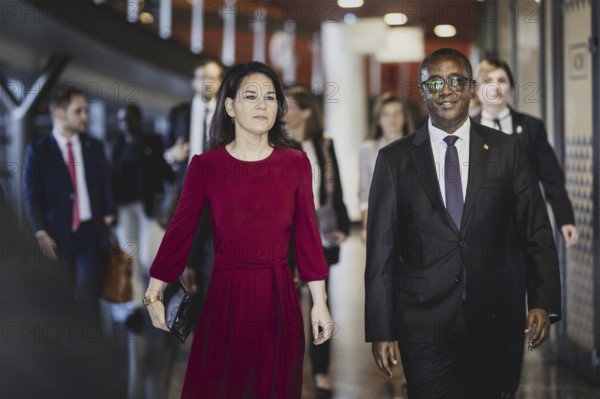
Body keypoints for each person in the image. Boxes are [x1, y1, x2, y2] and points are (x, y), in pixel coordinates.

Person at [364, 48, 562, 399]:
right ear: (423, 91)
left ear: (471, 89)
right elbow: (381, 251)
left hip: (495, 317)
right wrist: (381, 328)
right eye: (435, 82)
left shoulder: (507, 150)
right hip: (422, 323)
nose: (446, 90)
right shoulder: (395, 159)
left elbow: (536, 230)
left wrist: (543, 300)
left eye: (456, 81)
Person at [144, 61, 333, 398]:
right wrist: (154, 291)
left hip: (280, 302)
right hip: (225, 301)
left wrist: (320, 303)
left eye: (271, 97)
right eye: (251, 95)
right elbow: (180, 232)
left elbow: (307, 237)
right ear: (230, 106)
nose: (263, 104)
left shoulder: (295, 163)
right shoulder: (206, 167)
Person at [472, 57, 578, 398]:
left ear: (511, 87)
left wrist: (565, 218)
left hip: (519, 236)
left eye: (502, 80)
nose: (496, 87)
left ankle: (505, 385)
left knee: (511, 309)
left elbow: (552, 177)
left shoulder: (529, 128)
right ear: (477, 89)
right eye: (488, 80)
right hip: (477, 241)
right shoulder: (466, 131)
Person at [283, 84, 350, 399]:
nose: (282, 112)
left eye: (288, 106)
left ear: (305, 111)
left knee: (323, 302)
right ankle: (289, 370)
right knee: (289, 307)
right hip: (287, 237)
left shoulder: (324, 145)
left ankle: (321, 372)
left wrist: (343, 224)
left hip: (321, 234)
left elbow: (336, 187)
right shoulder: (278, 144)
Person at [24, 86, 115, 315]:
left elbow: (106, 183)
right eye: (79, 111)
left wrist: (109, 215)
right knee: (61, 302)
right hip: (57, 237)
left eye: (85, 111)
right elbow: (32, 195)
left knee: (88, 299)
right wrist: (41, 232)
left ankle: (93, 348)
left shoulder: (94, 146)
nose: (85, 116)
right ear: (59, 113)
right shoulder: (38, 150)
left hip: (89, 234)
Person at [110, 104, 175, 399]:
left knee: (152, 257)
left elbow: (165, 174)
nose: (125, 124)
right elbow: (111, 178)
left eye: (129, 118)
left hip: (147, 210)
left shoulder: (152, 143)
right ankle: (133, 307)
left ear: (137, 119)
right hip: (125, 210)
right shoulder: (118, 146)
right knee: (129, 259)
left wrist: (164, 205)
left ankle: (157, 298)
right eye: (121, 120)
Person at [359, 93, 414, 242]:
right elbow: (365, 193)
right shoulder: (366, 150)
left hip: (414, 220)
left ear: (404, 116)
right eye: (386, 114)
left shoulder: (419, 146)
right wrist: (366, 227)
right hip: (381, 220)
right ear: (378, 119)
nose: (392, 119)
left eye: (397, 113)